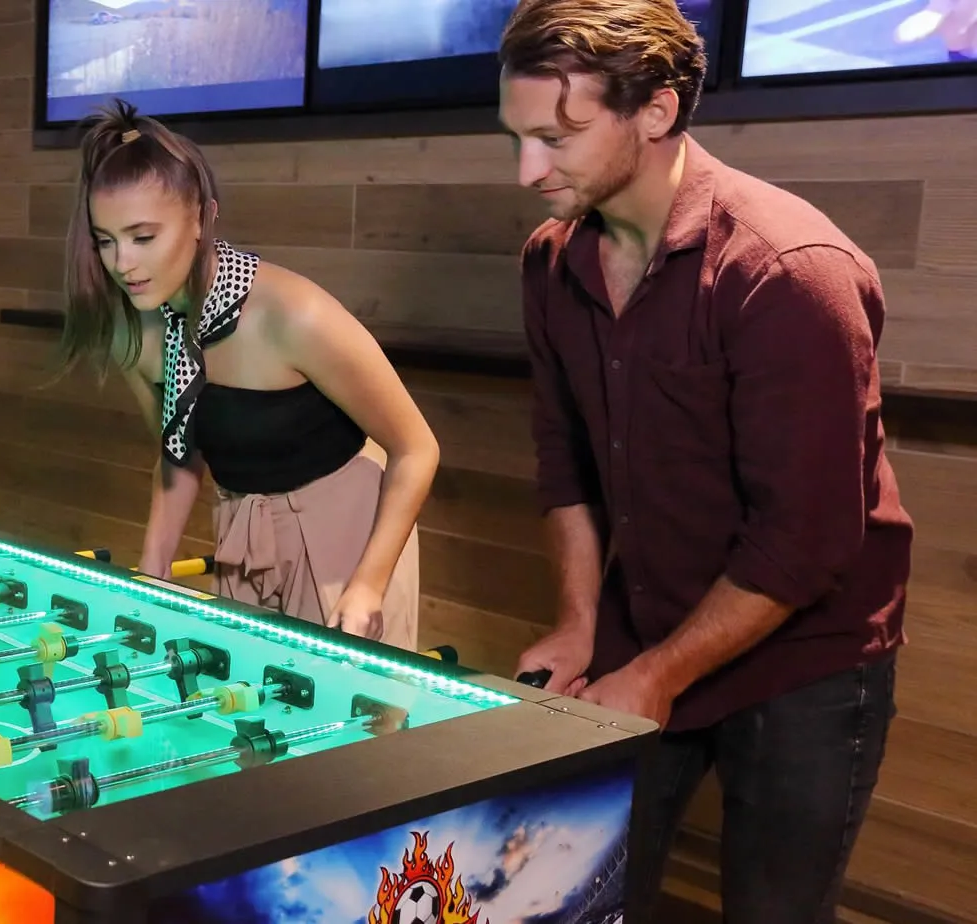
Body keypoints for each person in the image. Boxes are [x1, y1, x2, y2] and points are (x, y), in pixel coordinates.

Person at [498, 2, 911, 922]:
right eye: (517, 137)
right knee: (580, 897)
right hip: (643, 617)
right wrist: (576, 625)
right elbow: (563, 461)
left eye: (557, 137)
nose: (528, 170)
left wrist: (651, 679)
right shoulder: (550, 262)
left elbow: (804, 544)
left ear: (657, 108)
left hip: (810, 656)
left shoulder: (786, 268)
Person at [58, 100, 439, 649]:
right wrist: (153, 567)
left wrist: (368, 586)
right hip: (242, 531)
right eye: (105, 240)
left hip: (350, 537)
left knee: (357, 730)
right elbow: (178, 453)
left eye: (143, 237)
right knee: (252, 722)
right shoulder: (134, 333)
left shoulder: (294, 313)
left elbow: (417, 449)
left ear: (201, 218)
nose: (122, 264)